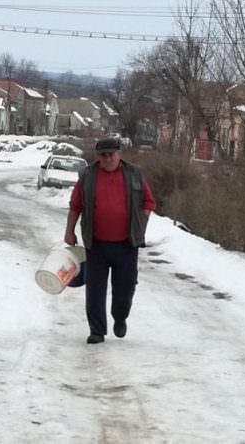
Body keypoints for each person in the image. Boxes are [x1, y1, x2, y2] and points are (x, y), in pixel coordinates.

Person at [64, 137, 156, 344]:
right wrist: (69, 231)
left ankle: (120, 316)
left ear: (119, 154)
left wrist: (140, 222)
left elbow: (148, 202)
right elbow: (75, 205)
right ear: (98, 157)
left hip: (126, 244)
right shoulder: (88, 176)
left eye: (111, 155)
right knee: (95, 289)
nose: (107, 159)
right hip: (96, 244)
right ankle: (97, 330)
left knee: (125, 288)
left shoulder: (134, 174)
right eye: (103, 155)